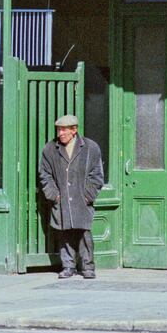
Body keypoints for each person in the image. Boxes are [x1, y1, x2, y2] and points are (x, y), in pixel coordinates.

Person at [38, 114, 104, 279]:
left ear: (74, 130)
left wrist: (88, 196)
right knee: (64, 234)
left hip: (82, 200)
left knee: (84, 234)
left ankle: (88, 267)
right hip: (62, 200)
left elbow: (97, 175)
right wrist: (54, 196)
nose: (60, 134)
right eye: (59, 130)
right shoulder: (50, 149)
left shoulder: (90, 148)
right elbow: (44, 175)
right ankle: (68, 266)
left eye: (64, 130)